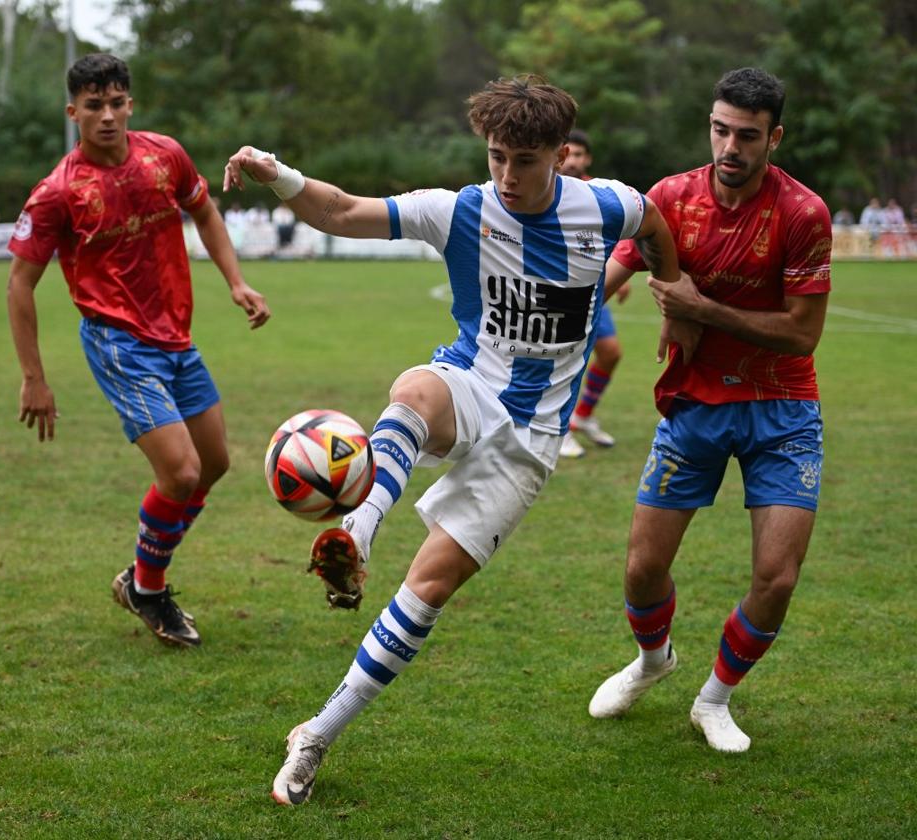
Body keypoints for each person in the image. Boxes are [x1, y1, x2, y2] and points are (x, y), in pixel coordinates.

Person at [225, 74, 680, 806]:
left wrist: (675, 299)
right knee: (414, 390)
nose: (506, 174)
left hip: (530, 441)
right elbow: (341, 210)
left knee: (427, 592)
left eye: (524, 160)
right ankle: (359, 529)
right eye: (497, 156)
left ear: (561, 155)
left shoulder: (606, 206)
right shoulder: (461, 210)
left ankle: (315, 735)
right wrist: (277, 172)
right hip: (471, 385)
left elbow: (656, 224)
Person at [587, 68, 831, 754]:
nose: (730, 146)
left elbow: (803, 332)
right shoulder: (671, 198)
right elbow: (620, 269)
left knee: (776, 579)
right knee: (641, 568)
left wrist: (698, 309)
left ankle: (714, 698)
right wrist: (568, 319)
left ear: (773, 138)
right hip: (694, 404)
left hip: (783, 409)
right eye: (721, 130)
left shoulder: (803, 214)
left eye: (748, 136)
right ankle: (651, 660)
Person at [7, 53, 270, 648]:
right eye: (93, 106)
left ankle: (140, 578)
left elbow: (203, 210)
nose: (106, 116)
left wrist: (236, 281)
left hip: (176, 335)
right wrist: (34, 378)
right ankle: (149, 588)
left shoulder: (164, 156)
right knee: (180, 472)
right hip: (118, 342)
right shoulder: (57, 192)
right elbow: (20, 284)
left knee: (215, 464)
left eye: (116, 102)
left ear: (130, 104)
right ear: (72, 111)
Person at [558, 129, 629, 458]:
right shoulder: (539, 190)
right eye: (569, 154)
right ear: (558, 155)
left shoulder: (596, 192)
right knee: (567, 360)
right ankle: (558, 431)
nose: (575, 160)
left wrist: (621, 270)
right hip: (555, 294)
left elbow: (618, 232)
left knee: (611, 353)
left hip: (591, 291)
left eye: (580, 155)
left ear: (587, 159)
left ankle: (582, 416)